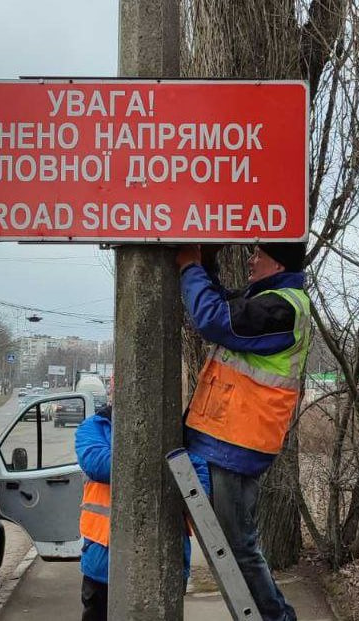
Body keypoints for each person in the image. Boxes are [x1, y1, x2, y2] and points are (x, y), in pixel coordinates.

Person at [175, 243, 311, 621]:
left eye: (258, 255)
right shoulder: (265, 301)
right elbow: (223, 304)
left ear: (278, 263)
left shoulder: (283, 307)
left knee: (238, 547)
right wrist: (206, 262)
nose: (251, 260)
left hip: (235, 443)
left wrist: (189, 266)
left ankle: (276, 618)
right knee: (233, 544)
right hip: (225, 439)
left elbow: (215, 319)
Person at [75, 403, 210, 621]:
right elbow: (98, 464)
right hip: (104, 564)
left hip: (165, 559)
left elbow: (198, 479)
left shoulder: (177, 429)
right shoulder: (96, 426)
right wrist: (160, 459)